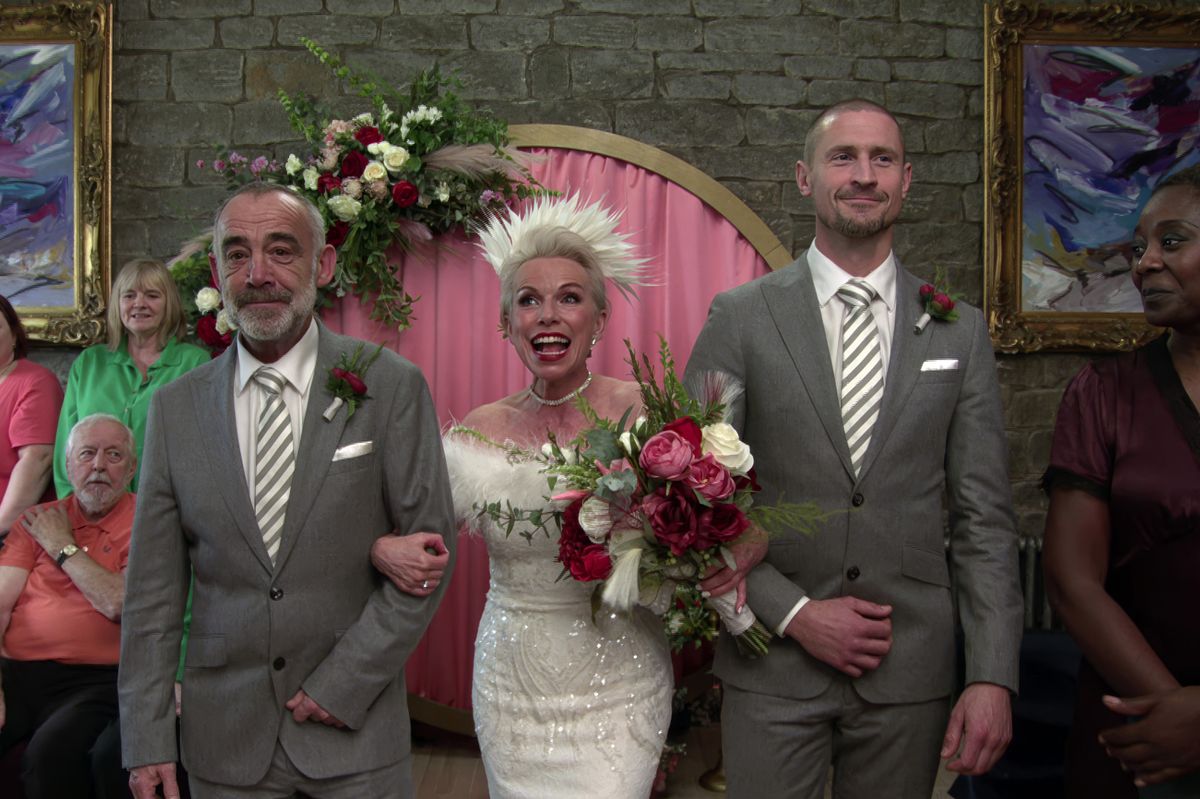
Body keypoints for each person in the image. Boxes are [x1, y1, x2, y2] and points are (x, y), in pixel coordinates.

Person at [683, 99, 1024, 799]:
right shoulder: (741, 318)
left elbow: (984, 519)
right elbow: (689, 500)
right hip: (773, 663)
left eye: (883, 159)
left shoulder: (959, 331)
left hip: (910, 674)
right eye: (844, 157)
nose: (864, 175)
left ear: (907, 181)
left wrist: (991, 674)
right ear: (805, 177)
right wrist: (798, 615)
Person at [117, 183, 455, 799]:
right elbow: (152, 598)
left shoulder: (391, 387)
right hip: (223, 742)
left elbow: (430, 559)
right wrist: (146, 740)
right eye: (238, 254)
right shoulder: (175, 409)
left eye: (281, 251)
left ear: (322, 266)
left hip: (356, 735)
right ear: (218, 272)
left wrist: (344, 683)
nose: (259, 274)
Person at [372, 196, 684, 798]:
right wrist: (382, 544)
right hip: (511, 681)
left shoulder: (643, 413)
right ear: (506, 323)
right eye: (528, 300)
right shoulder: (475, 433)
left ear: (598, 318)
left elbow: (688, 534)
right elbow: (416, 528)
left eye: (569, 298)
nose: (548, 316)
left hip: (619, 678)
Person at [1043, 165, 1200, 798]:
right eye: (1139, 248)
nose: (1144, 264)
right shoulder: (1103, 393)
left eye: (1173, 241)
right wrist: (1175, 715)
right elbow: (1071, 579)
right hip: (1138, 732)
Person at [0, 414, 137, 799]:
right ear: (67, 465)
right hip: (17, 671)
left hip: (96, 680)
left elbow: (117, 602)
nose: (98, 466)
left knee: (49, 756)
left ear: (132, 468)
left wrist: (62, 546)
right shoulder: (36, 520)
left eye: (113, 455)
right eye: (87, 454)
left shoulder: (148, 521)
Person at [54, 258, 209, 497]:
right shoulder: (89, 364)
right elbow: (66, 448)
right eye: (129, 296)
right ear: (118, 304)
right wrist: (73, 511)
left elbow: (201, 451)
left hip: (165, 511)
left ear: (170, 303)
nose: (139, 304)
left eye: (152, 295)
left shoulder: (195, 363)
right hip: (91, 512)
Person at [0, 295, 63, 537]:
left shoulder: (35, 382)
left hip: (12, 533)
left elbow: (37, 461)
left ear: (15, 335)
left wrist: (1, 526)